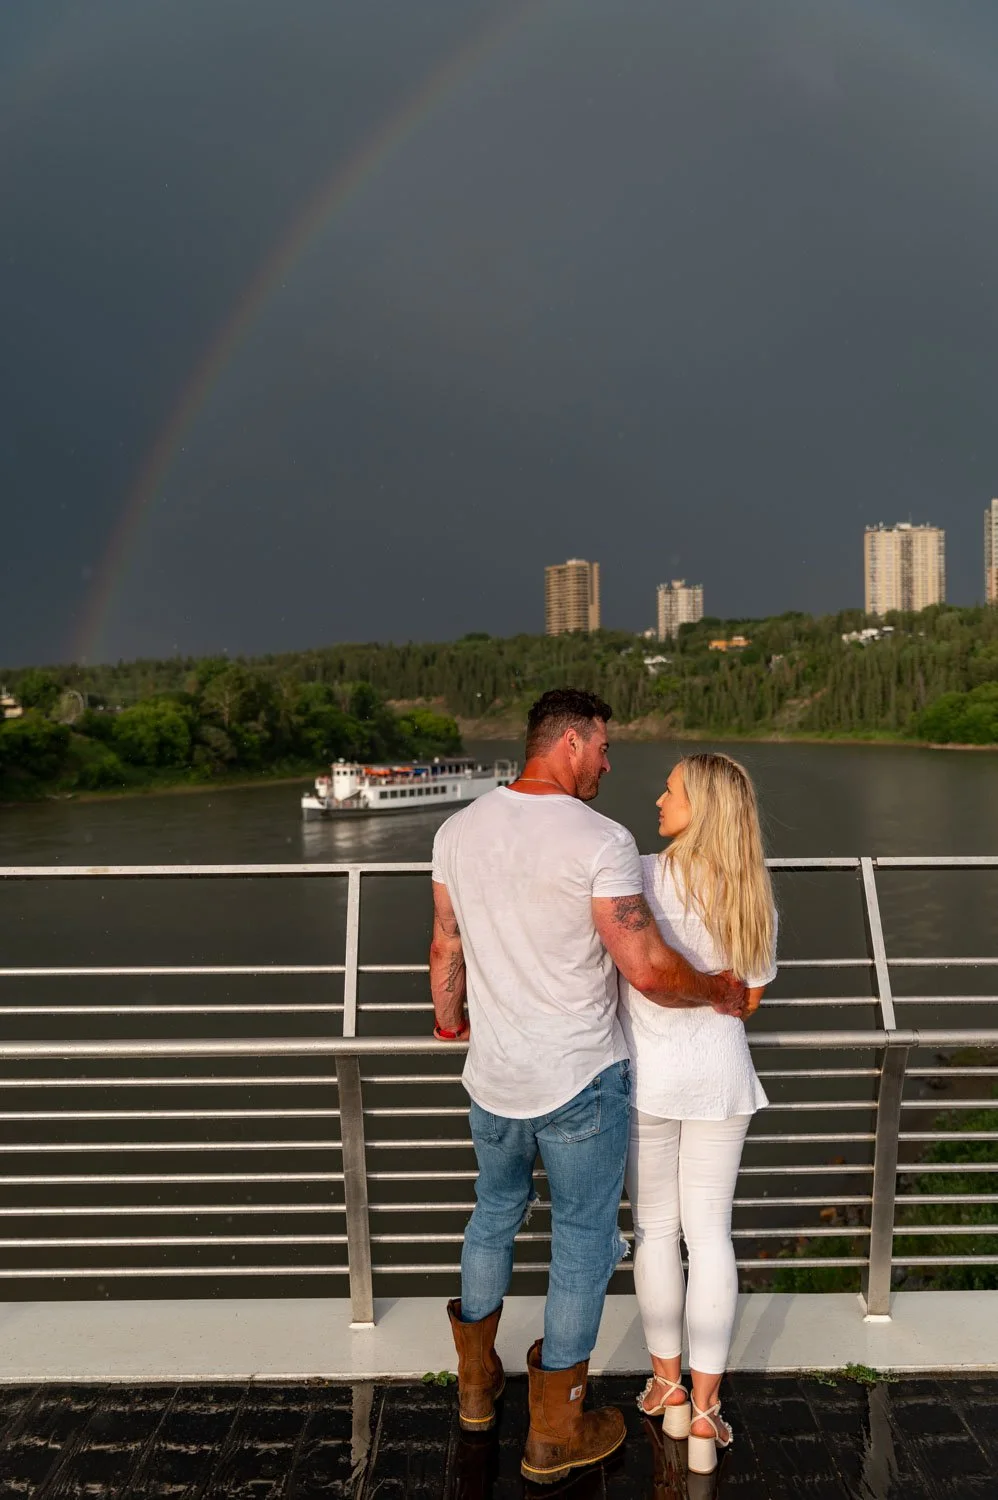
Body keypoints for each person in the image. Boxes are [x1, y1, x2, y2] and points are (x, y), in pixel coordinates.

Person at [429, 689, 746, 1487]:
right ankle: (554, 1433)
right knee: (580, 1240)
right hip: (579, 1079)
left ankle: (476, 1391)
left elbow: (445, 947)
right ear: (570, 741)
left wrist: (450, 1023)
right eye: (603, 747)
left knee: (493, 1214)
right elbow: (647, 968)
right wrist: (717, 988)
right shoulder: (600, 838)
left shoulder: (456, 830)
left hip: (492, 1077)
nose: (609, 763)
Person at [619, 753, 778, 1477]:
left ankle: (668, 1387)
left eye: (671, 789)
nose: (659, 798)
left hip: (648, 1080)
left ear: (701, 807)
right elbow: (748, 1001)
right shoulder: (750, 890)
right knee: (711, 1235)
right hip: (721, 1078)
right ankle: (708, 1414)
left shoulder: (638, 877)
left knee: (656, 1230)